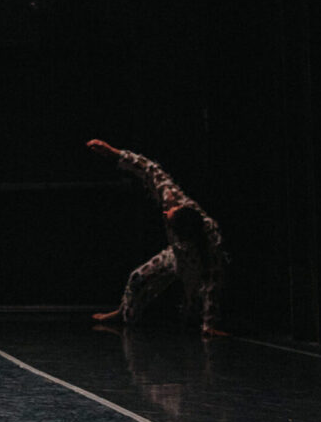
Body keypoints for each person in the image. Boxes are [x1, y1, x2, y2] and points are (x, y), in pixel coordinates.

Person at [87, 139, 229, 337]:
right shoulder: (174, 199)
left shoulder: (209, 241)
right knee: (137, 278)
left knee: (190, 312)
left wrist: (209, 324)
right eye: (169, 211)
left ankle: (199, 322)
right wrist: (115, 153)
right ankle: (124, 314)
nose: (165, 213)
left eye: (169, 216)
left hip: (195, 266)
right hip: (175, 254)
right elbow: (150, 169)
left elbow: (213, 281)